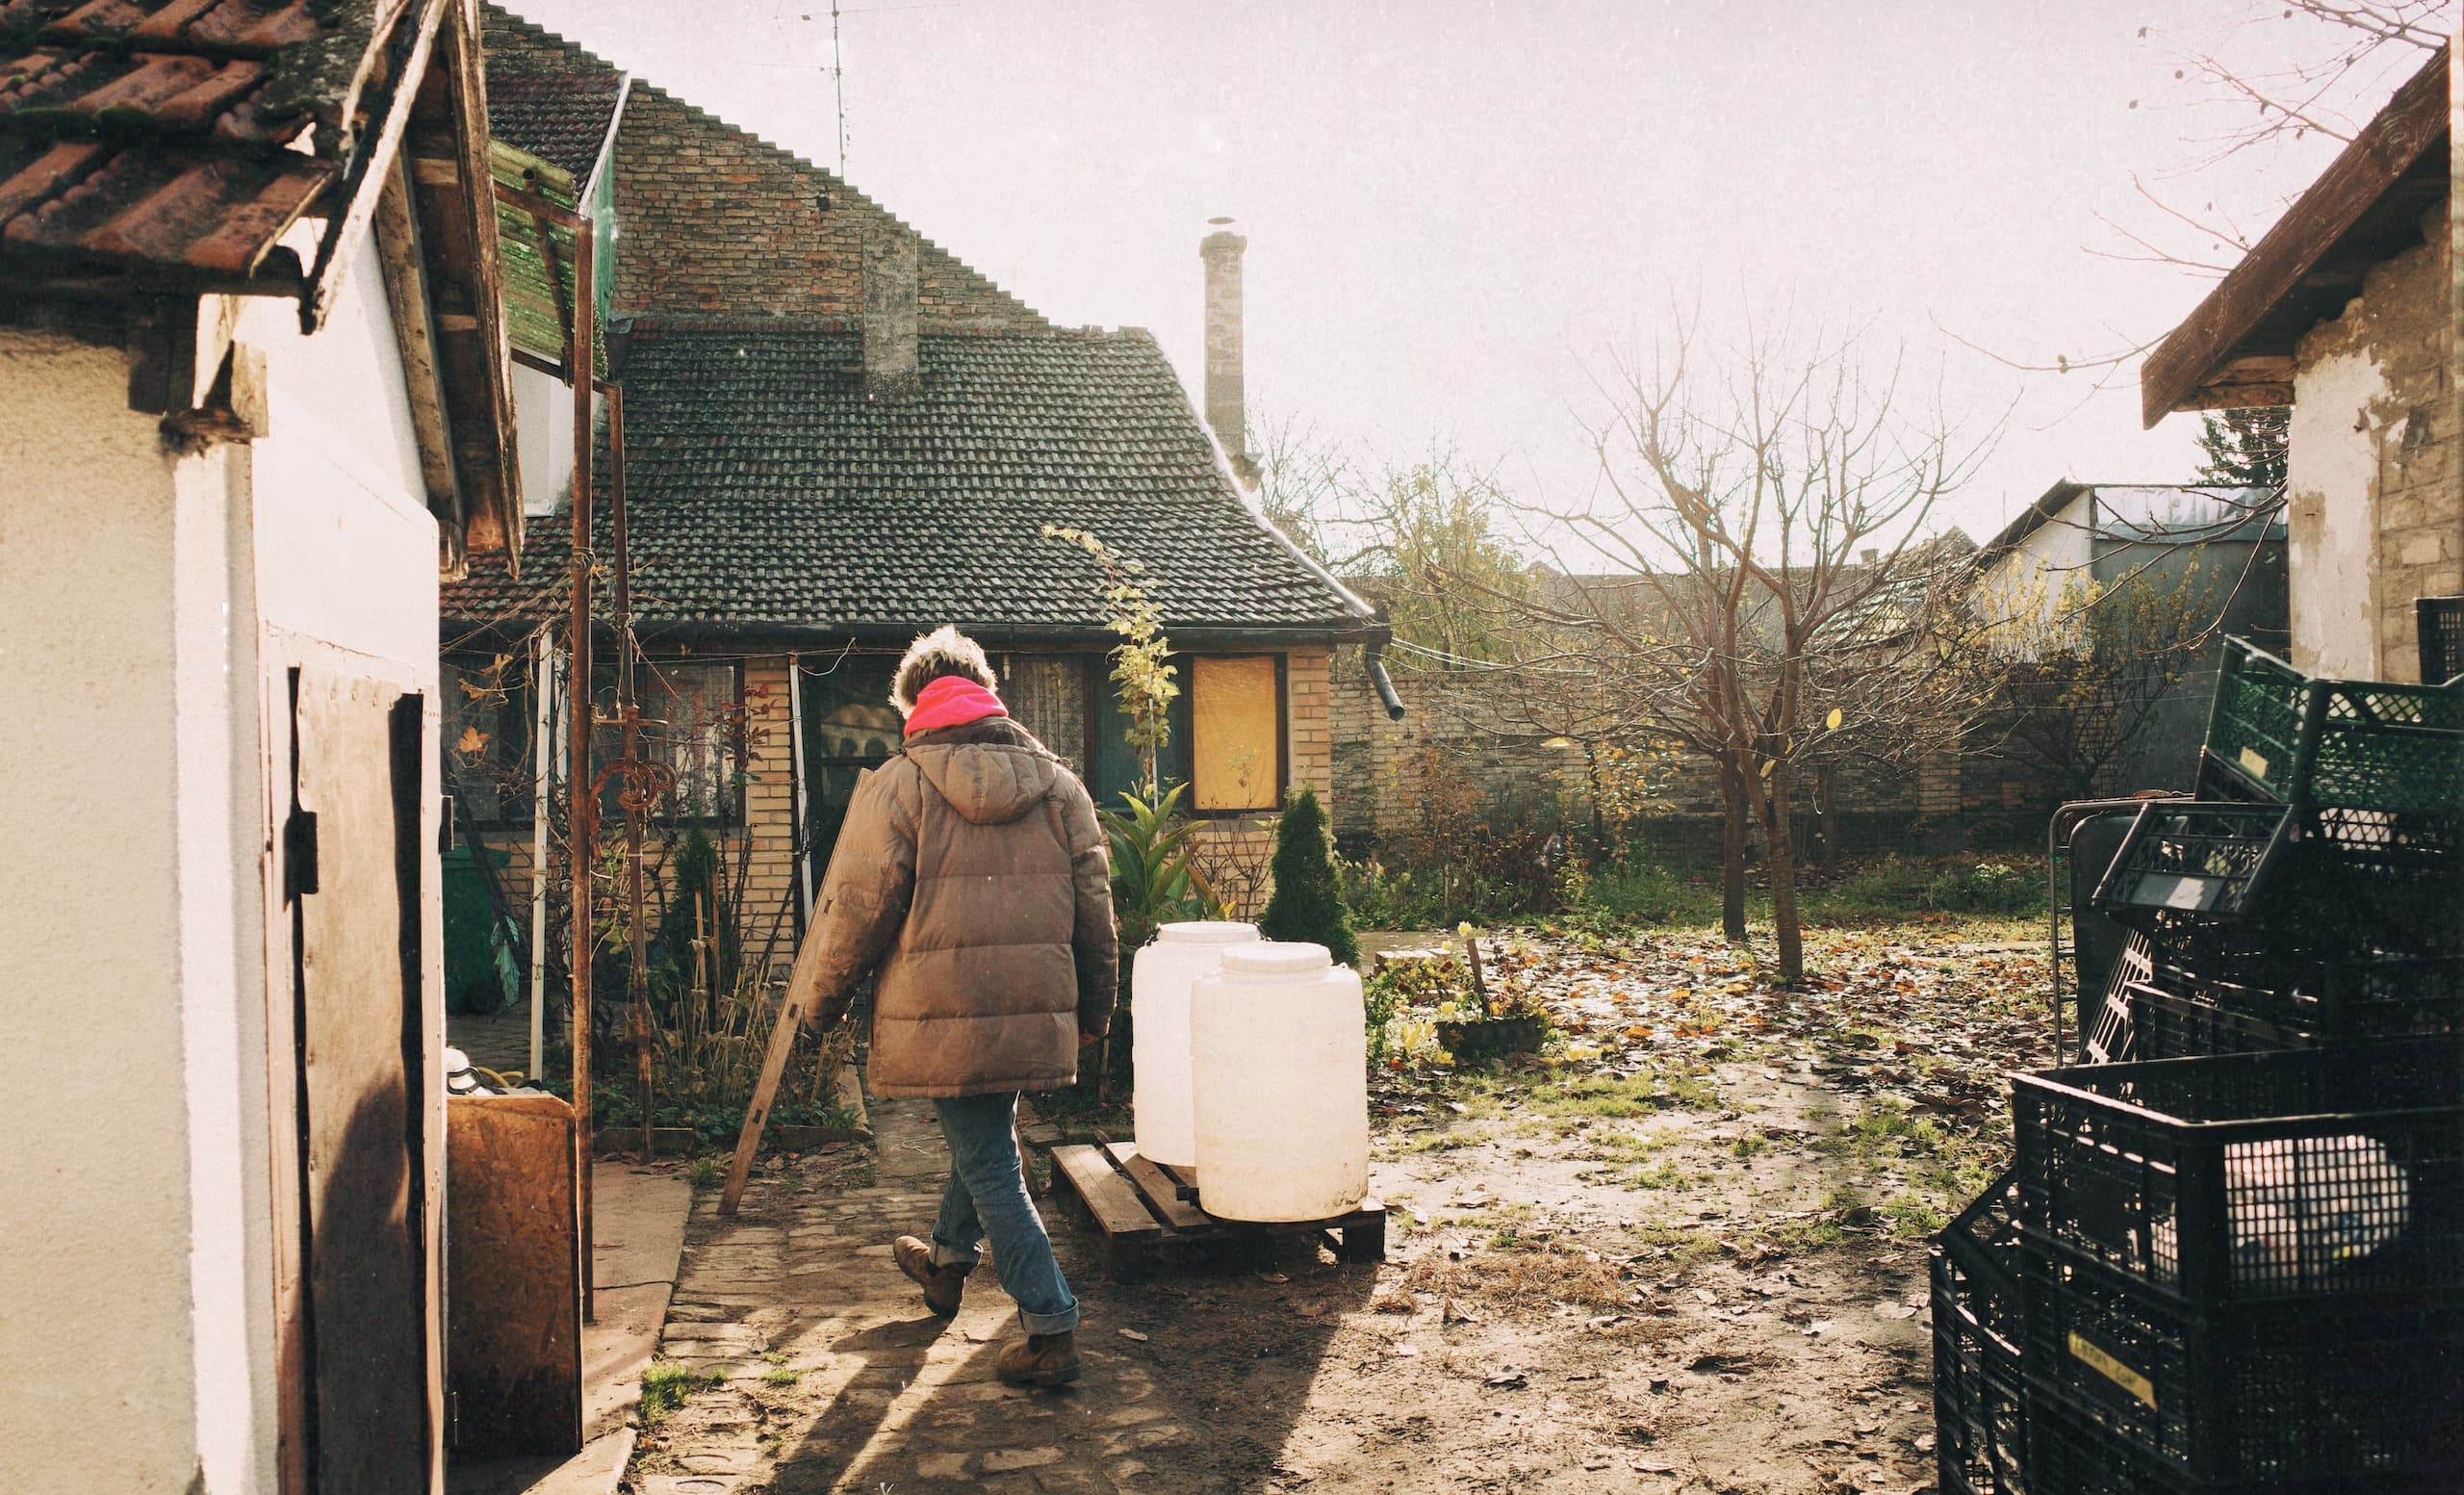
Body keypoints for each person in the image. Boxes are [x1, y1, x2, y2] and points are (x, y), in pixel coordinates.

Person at [784, 626, 1116, 1386]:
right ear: (988, 693)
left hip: (942, 1018)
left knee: (991, 1161)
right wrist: (1096, 1009)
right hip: (1031, 1008)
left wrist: (820, 1006)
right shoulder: (1062, 788)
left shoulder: (900, 787)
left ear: (914, 704)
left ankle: (1050, 1322)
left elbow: (857, 912)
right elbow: (1096, 915)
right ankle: (943, 1264)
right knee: (986, 1140)